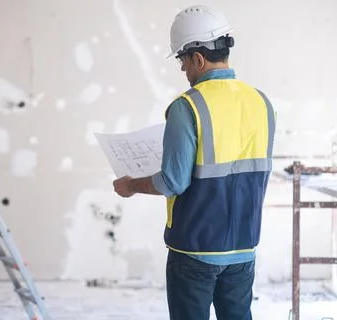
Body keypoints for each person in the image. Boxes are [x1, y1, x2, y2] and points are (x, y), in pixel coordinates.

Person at [112, 5, 275, 320]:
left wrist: (131, 185)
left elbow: (173, 181)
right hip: (243, 246)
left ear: (198, 59)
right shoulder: (261, 102)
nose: (184, 71)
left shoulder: (187, 106)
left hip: (194, 250)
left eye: (182, 62)